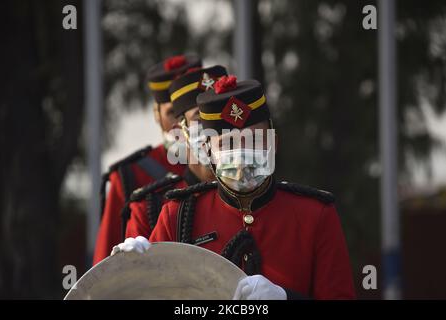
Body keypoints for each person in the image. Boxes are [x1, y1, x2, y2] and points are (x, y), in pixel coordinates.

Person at [112, 76, 355, 300]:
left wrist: (286, 298)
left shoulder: (315, 215)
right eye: (228, 143)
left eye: (253, 140)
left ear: (274, 143)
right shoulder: (177, 216)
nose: (241, 154)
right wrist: (130, 276)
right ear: (208, 152)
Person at [93, 55, 201, 265]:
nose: (181, 124)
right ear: (156, 114)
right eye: (172, 113)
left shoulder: (231, 169)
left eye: (190, 113)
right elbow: (102, 266)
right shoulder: (130, 174)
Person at [123, 65, 227, 239]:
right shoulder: (152, 209)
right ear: (180, 130)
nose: (212, 127)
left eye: (219, 115)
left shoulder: (254, 199)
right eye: (200, 119)